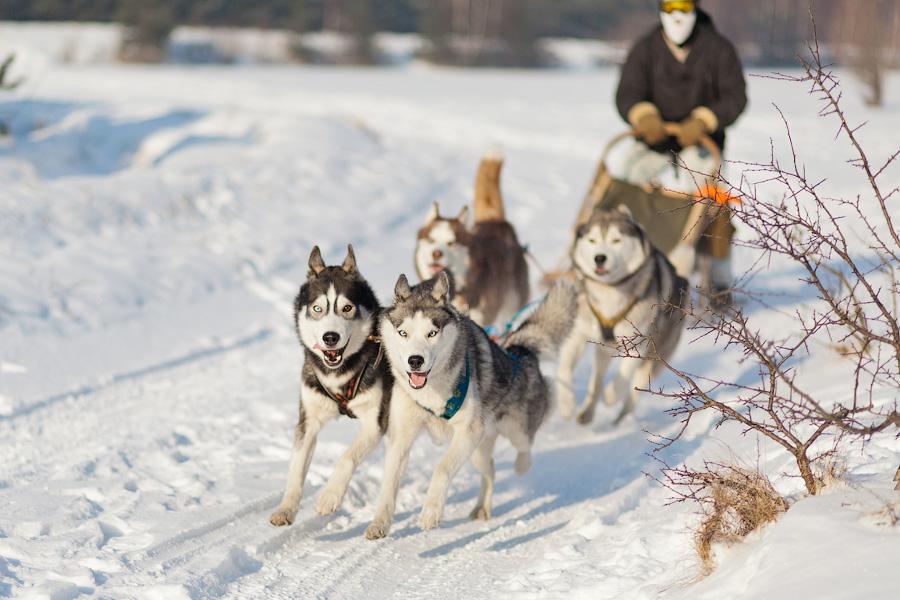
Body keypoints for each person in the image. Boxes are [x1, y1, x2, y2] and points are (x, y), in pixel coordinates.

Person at [614, 0, 746, 298]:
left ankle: (720, 278)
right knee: (623, 176)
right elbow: (627, 92)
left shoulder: (718, 49)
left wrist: (704, 120)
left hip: (700, 144)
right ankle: (618, 256)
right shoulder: (646, 48)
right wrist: (643, 115)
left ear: (694, 8)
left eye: (683, 6)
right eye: (670, 6)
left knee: (710, 200)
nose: (676, 14)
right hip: (653, 140)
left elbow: (735, 97)